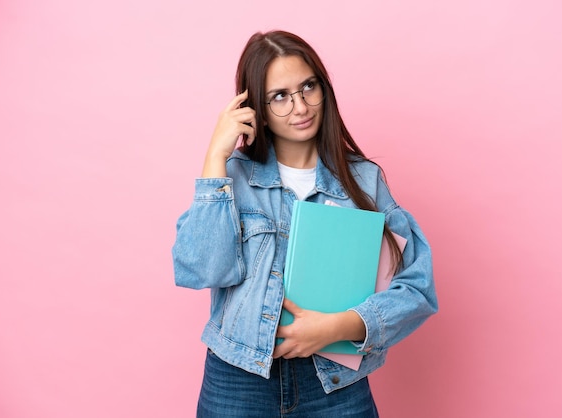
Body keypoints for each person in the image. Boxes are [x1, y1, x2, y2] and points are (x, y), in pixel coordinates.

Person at [172, 30, 438, 417]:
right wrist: (215, 157)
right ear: (255, 108)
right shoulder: (232, 178)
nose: (300, 107)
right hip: (238, 377)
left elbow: (418, 287)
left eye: (308, 87)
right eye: (280, 96)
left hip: (333, 383)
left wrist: (341, 327)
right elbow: (199, 269)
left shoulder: (363, 180)